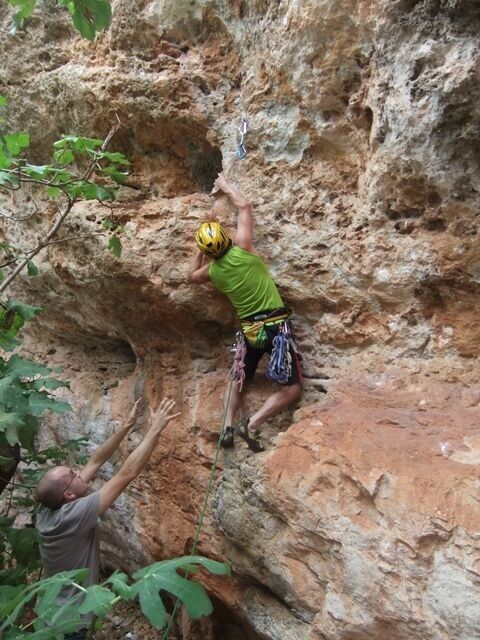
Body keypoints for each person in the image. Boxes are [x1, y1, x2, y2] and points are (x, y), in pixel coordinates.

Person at [35, 397, 180, 640]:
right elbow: (127, 474)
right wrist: (155, 429)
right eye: (73, 474)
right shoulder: (72, 516)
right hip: (71, 622)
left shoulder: (49, 509)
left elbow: (95, 461)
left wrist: (126, 425)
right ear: (69, 495)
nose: (79, 473)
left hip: (50, 615)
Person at [187, 173, 302, 452]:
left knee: (239, 379)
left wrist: (201, 252)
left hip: (250, 332)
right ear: (227, 238)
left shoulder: (213, 272)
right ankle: (251, 425)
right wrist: (225, 186)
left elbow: (190, 277)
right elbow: (245, 206)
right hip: (275, 330)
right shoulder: (244, 249)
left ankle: (226, 426)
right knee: (293, 389)